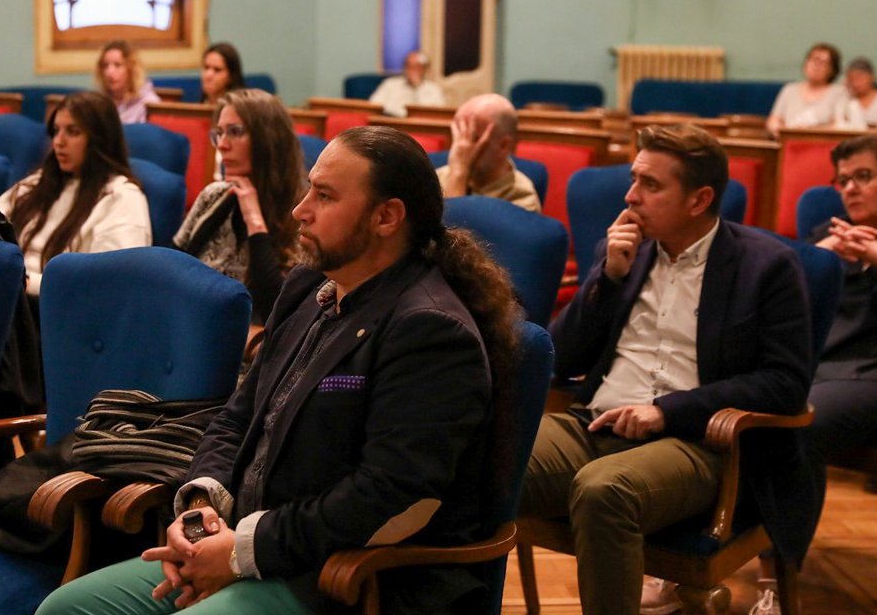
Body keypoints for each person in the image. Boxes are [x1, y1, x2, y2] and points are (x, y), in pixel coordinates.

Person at [36, 125, 521, 615]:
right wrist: (202, 508)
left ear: (386, 216)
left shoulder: (429, 329)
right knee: (65, 608)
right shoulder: (309, 286)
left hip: (343, 576)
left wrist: (242, 551)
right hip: (244, 541)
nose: (300, 210)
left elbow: (386, 494)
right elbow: (237, 416)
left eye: (324, 196)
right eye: (310, 188)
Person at [520, 124, 815, 615]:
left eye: (651, 186)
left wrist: (667, 412)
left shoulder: (767, 267)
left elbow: (785, 384)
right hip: (593, 422)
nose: (631, 196)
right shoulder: (623, 253)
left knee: (602, 491)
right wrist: (608, 279)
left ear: (699, 200)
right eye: (635, 179)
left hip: (695, 444)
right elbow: (562, 356)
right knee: (488, 456)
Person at [741, 135, 877, 614]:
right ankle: (702, 549)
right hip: (812, 368)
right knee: (732, 404)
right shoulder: (835, 236)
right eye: (842, 180)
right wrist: (824, 254)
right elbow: (771, 295)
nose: (849, 189)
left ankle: (776, 577)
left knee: (796, 425)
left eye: (862, 177)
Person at [0, 91, 151, 297]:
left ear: (100, 139)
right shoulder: (39, 183)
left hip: (55, 311)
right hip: (12, 294)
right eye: (56, 131)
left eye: (73, 132)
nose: (59, 142)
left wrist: (26, 283)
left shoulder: (122, 198)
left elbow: (108, 285)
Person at [172, 88, 305, 322]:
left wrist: (254, 220)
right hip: (189, 318)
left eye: (235, 132)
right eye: (219, 133)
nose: (222, 145)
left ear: (268, 139)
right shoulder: (214, 195)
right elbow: (173, 266)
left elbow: (279, 307)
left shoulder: (300, 213)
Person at [437, 93, 541, 212]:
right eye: (458, 137)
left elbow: (453, 228)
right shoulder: (437, 179)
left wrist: (459, 174)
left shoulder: (523, 198)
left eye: (472, 139)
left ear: (504, 145)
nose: (460, 148)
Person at [766, 42, 850, 136]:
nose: (816, 66)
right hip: (789, 142)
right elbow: (774, 120)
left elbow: (839, 125)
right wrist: (780, 132)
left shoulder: (839, 92)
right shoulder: (789, 89)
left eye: (823, 63)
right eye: (813, 60)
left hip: (821, 144)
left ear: (832, 69)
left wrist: (809, 131)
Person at [95, 41, 160, 124]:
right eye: (105, 65)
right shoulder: (100, 103)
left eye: (117, 65)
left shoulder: (149, 104)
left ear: (131, 70)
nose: (109, 72)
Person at [368, 50, 447, 118]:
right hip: (390, 124)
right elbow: (373, 106)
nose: (411, 70)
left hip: (419, 128)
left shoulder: (434, 89)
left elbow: (437, 115)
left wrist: (417, 87)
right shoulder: (390, 84)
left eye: (416, 67)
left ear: (424, 69)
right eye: (408, 65)